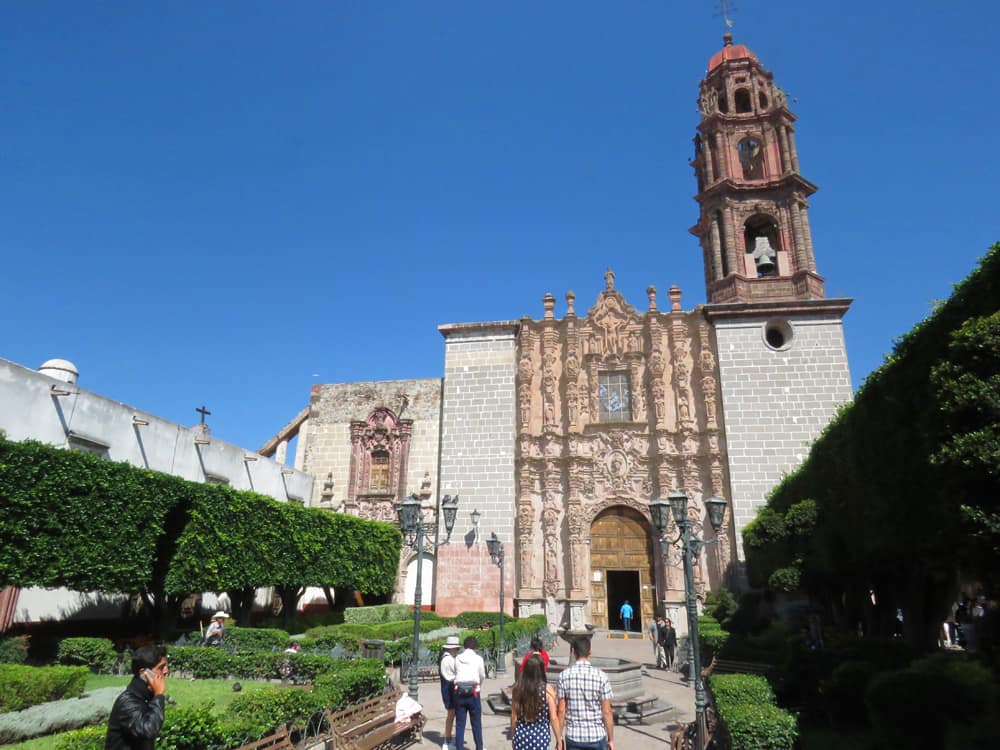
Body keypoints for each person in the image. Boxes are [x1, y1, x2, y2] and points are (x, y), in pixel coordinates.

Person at [105, 645, 168, 749]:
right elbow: (148, 731)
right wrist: (159, 695)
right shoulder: (128, 703)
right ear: (144, 673)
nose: (166, 671)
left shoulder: (145, 697)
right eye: (161, 667)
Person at [557, 636, 614, 750]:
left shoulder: (564, 676)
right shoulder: (601, 676)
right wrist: (611, 739)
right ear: (590, 652)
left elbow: (561, 710)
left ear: (573, 651)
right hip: (596, 736)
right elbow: (607, 711)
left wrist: (559, 739)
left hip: (574, 736)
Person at [511, 654, 560, 750]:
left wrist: (513, 736)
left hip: (521, 737)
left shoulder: (518, 689)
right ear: (541, 670)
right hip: (540, 739)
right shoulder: (547, 690)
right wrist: (559, 739)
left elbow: (514, 717)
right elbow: (553, 718)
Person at [452, 635, 485, 750]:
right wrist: (479, 685)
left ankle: (459, 748)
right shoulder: (478, 659)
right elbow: (482, 675)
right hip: (474, 693)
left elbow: (456, 672)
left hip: (459, 693)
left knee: (460, 724)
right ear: (475, 647)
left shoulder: (457, 658)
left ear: (464, 646)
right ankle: (479, 747)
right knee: (476, 724)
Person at [439, 635, 461, 750]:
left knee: (451, 715)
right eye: (456, 648)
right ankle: (447, 740)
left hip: (447, 688)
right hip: (450, 689)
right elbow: (452, 675)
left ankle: (448, 739)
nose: (457, 650)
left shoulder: (445, 658)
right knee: (451, 715)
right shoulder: (448, 660)